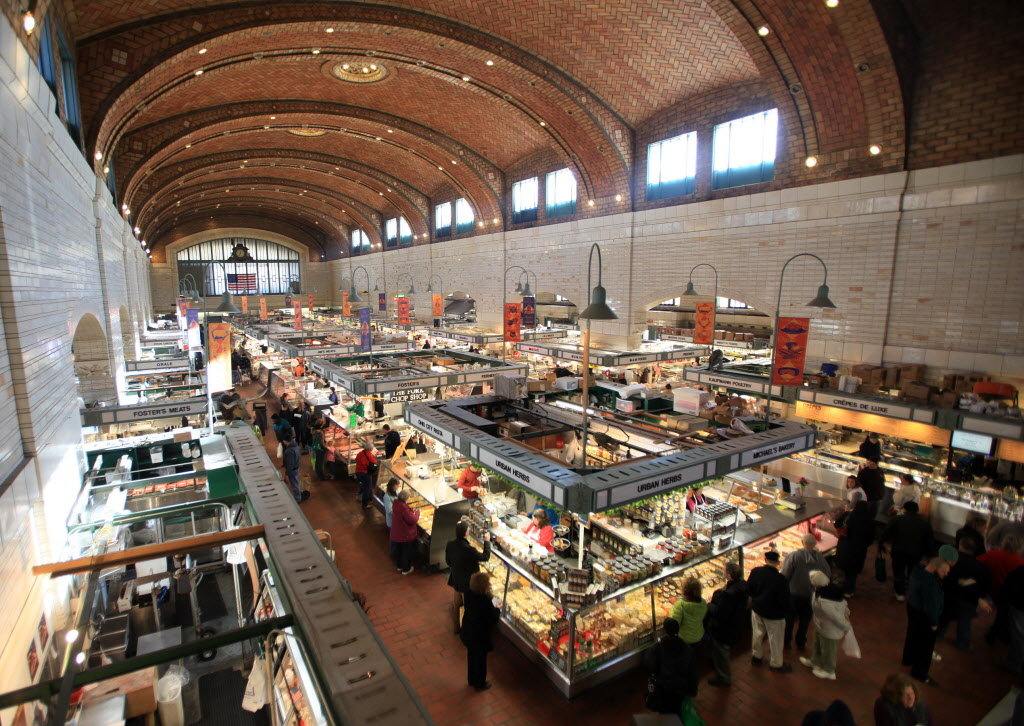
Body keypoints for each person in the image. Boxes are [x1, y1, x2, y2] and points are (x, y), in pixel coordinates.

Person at [902, 556, 951, 685]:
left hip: (912, 608)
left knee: (912, 635)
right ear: (935, 568)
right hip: (924, 616)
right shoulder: (931, 584)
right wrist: (934, 623)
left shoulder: (917, 570)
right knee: (926, 647)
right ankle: (920, 673)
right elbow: (931, 606)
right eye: (943, 572)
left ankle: (908, 658)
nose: (946, 575)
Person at [938, 536, 991, 651]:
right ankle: (962, 644)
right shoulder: (982, 567)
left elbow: (944, 578)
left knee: (944, 617)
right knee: (964, 622)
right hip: (969, 600)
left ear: (960, 545)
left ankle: (938, 636)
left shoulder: (951, 561)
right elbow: (984, 586)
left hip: (950, 596)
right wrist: (979, 598)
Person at [782, 532, 831, 651]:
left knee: (789, 619)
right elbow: (827, 574)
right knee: (805, 620)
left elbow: (785, 574)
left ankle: (786, 642)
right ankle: (801, 642)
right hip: (810, 594)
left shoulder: (794, 556)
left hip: (793, 593)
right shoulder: (820, 558)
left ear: (802, 543)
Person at [799, 570, 850, 680]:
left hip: (829, 628)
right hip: (821, 624)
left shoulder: (827, 599)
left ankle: (829, 670)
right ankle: (815, 661)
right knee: (817, 643)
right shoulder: (819, 591)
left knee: (829, 649)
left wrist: (845, 626)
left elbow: (836, 616)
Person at [748, 550, 792, 672]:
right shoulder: (781, 579)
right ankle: (776, 664)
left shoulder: (755, 572)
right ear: (778, 563)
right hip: (774, 615)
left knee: (757, 634)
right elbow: (785, 599)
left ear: (765, 560)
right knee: (775, 639)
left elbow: (750, 589)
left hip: (757, 610)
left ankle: (757, 657)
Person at [705, 560, 747, 687]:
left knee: (722, 651)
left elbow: (719, 613)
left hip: (725, 628)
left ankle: (724, 677)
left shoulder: (728, 595)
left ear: (729, 575)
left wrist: (709, 605)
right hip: (735, 623)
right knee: (719, 650)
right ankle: (716, 663)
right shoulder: (743, 585)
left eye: (725, 571)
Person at [644, 618, 697, 715]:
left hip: (663, 687)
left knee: (664, 711)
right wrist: (693, 690)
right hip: (680, 688)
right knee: (677, 709)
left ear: (664, 631)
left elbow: (650, 664)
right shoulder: (687, 649)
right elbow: (692, 672)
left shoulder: (658, 648)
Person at [882, 501, 934, 602]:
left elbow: (886, 533)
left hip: (898, 551)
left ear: (905, 509)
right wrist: (929, 555)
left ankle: (900, 593)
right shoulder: (925, 523)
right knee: (912, 572)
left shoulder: (897, 519)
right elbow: (929, 541)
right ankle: (911, 591)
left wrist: (883, 543)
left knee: (898, 571)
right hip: (916, 553)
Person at [445, 521, 492, 634]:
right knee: (469, 608)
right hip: (468, 585)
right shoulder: (469, 550)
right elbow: (485, 557)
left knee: (456, 605)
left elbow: (448, 562)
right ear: (466, 533)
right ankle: (468, 631)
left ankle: (456, 628)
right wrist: (487, 541)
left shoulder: (450, 544)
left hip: (456, 580)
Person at [460, 572, 500, 691]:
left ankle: (471, 679)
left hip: (467, 631)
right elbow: (494, 618)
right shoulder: (485, 601)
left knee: (471, 656)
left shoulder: (468, 593)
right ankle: (480, 684)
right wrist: (497, 609)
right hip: (479, 636)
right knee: (481, 660)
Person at [835, 500, 875, 597]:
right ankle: (849, 590)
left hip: (845, 546)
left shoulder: (848, 515)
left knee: (844, 566)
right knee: (852, 571)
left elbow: (836, 524)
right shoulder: (869, 520)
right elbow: (871, 538)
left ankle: (840, 584)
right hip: (859, 549)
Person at [669, 577, 707, 647]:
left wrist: (672, 607)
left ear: (683, 590)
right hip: (698, 635)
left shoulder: (680, 605)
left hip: (684, 638)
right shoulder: (703, 602)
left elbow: (674, 623)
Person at [389, 489, 420, 575]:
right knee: (406, 552)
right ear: (406, 498)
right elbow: (412, 520)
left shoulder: (396, 503)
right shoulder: (403, 508)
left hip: (396, 533)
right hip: (405, 535)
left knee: (399, 552)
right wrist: (417, 512)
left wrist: (410, 509)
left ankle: (399, 566)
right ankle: (406, 569)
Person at [281, 433, 308, 502]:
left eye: (283, 441)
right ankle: (298, 495)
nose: (283, 442)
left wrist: (286, 474)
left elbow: (290, 464)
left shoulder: (289, 451)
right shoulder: (296, 446)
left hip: (292, 470)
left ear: (286, 441)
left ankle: (297, 499)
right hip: (296, 467)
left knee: (294, 484)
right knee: (296, 482)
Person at [354, 441, 378, 510]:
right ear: (370, 449)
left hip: (358, 472)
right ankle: (365, 504)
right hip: (366, 474)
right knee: (367, 489)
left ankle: (369, 499)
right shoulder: (370, 455)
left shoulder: (360, 453)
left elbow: (356, 459)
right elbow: (374, 462)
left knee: (365, 486)